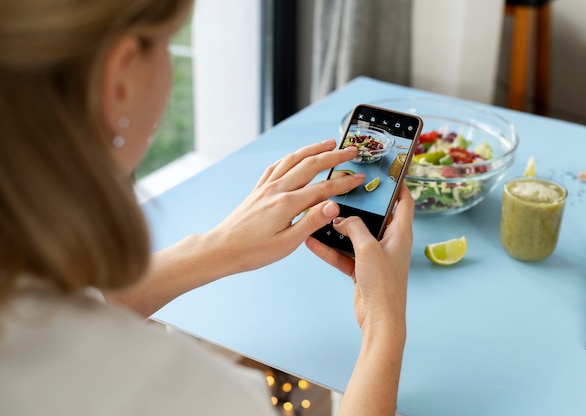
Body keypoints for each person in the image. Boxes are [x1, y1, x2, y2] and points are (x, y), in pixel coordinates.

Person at [0, 1, 413, 415]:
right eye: (166, 43)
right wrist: (385, 326)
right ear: (120, 79)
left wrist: (221, 245)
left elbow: (79, 303)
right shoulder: (195, 395)